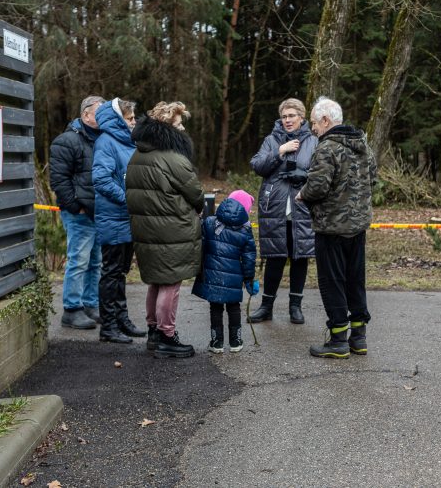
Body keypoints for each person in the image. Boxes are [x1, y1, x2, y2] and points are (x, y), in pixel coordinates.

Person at [296, 97, 376, 359]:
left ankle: (338, 340)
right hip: (358, 226)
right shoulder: (363, 146)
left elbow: (318, 186)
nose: (313, 129)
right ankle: (359, 338)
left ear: (326, 121)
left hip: (331, 227)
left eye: (314, 123)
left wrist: (302, 195)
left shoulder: (327, 147)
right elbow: (372, 179)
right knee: (355, 280)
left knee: (332, 282)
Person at [126, 102, 205, 358]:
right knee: (170, 283)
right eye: (179, 124)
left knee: (156, 282)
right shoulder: (173, 158)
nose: (183, 128)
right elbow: (196, 193)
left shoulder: (137, 155)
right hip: (173, 230)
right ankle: (167, 336)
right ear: (167, 127)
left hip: (146, 230)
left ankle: (153, 332)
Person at [248, 98, 318, 325]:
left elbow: (321, 173)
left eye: (292, 116)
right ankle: (266, 306)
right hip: (275, 208)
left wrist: (304, 176)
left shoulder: (313, 141)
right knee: (274, 258)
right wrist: (280, 151)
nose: (287, 120)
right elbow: (257, 165)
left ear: (301, 118)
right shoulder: (271, 140)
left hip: (301, 208)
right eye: (284, 116)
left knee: (300, 257)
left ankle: (295, 307)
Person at [92, 98, 145, 343]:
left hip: (127, 218)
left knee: (121, 272)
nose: (134, 122)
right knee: (111, 273)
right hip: (113, 217)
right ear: (117, 120)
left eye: (134, 118)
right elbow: (102, 180)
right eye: (130, 118)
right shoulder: (106, 142)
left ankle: (122, 319)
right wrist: (128, 199)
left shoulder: (129, 143)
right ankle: (109, 326)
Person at [50, 95, 105, 330]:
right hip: (79, 214)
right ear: (85, 115)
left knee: (95, 262)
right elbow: (59, 180)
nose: (104, 119)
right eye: (99, 114)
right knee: (78, 261)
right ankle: (72, 309)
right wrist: (76, 206)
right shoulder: (67, 141)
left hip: (97, 213)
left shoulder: (102, 140)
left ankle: (90, 305)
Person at [196, 190, 259, 354]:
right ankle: (235, 341)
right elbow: (249, 258)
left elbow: (200, 245)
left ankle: (216, 342)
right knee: (234, 307)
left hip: (212, 274)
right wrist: (249, 279)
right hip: (234, 277)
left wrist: (199, 269)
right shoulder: (245, 229)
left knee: (215, 308)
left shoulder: (210, 222)